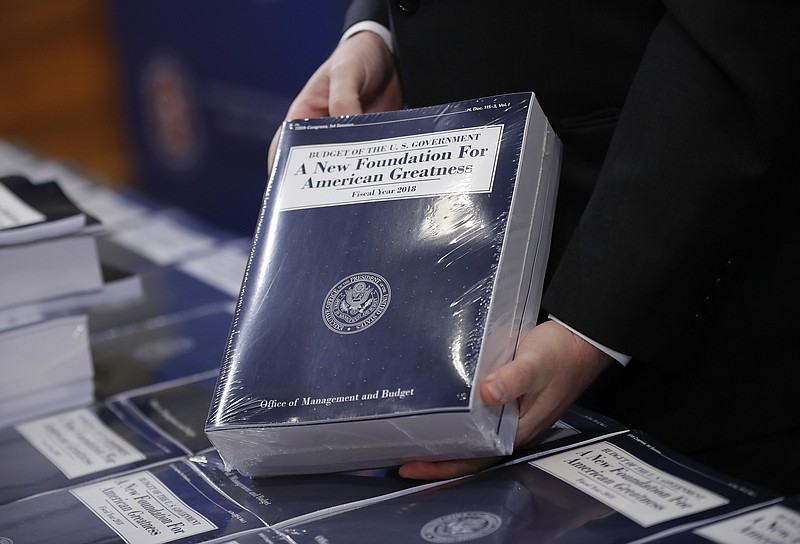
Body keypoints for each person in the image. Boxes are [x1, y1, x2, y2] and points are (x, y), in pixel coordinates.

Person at [269, 0, 800, 494]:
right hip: (446, 301)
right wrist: (376, 33)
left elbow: (737, 32)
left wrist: (592, 327)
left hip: (674, 315)